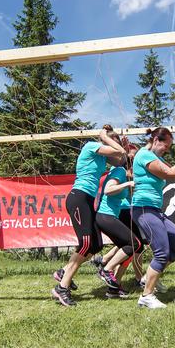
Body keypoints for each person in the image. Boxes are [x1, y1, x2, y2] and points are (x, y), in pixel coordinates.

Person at [51, 125, 127, 307]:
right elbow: (120, 151)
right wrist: (104, 136)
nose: (114, 146)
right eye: (111, 142)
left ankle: (64, 272)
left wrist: (119, 145)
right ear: (104, 141)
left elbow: (121, 158)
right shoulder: (90, 146)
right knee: (85, 244)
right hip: (78, 197)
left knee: (96, 244)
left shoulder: (101, 156)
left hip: (87, 200)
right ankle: (62, 288)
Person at [133, 127, 175, 309]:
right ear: (156, 140)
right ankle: (146, 296)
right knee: (161, 252)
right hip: (144, 209)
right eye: (166, 146)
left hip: (155, 210)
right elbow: (171, 174)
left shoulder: (157, 158)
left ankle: (151, 277)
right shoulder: (144, 156)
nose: (166, 149)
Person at [94, 144, 145, 298]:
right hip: (106, 215)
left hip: (111, 215)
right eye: (133, 156)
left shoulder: (127, 173)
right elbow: (109, 190)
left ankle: (113, 286)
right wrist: (128, 184)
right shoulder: (119, 171)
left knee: (131, 246)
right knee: (135, 245)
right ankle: (106, 268)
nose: (135, 159)